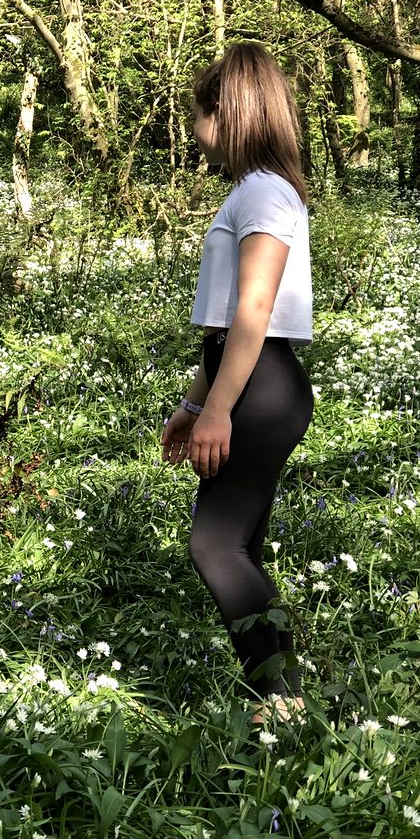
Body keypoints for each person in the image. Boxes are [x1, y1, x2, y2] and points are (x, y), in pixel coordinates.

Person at [159, 43, 314, 725]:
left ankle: (278, 700)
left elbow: (255, 311)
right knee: (240, 545)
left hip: (258, 385)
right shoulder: (259, 191)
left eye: (200, 113)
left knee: (213, 544)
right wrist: (195, 403)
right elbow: (227, 327)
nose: (196, 128)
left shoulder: (262, 193)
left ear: (230, 112)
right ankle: (283, 689)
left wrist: (220, 408)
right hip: (251, 378)